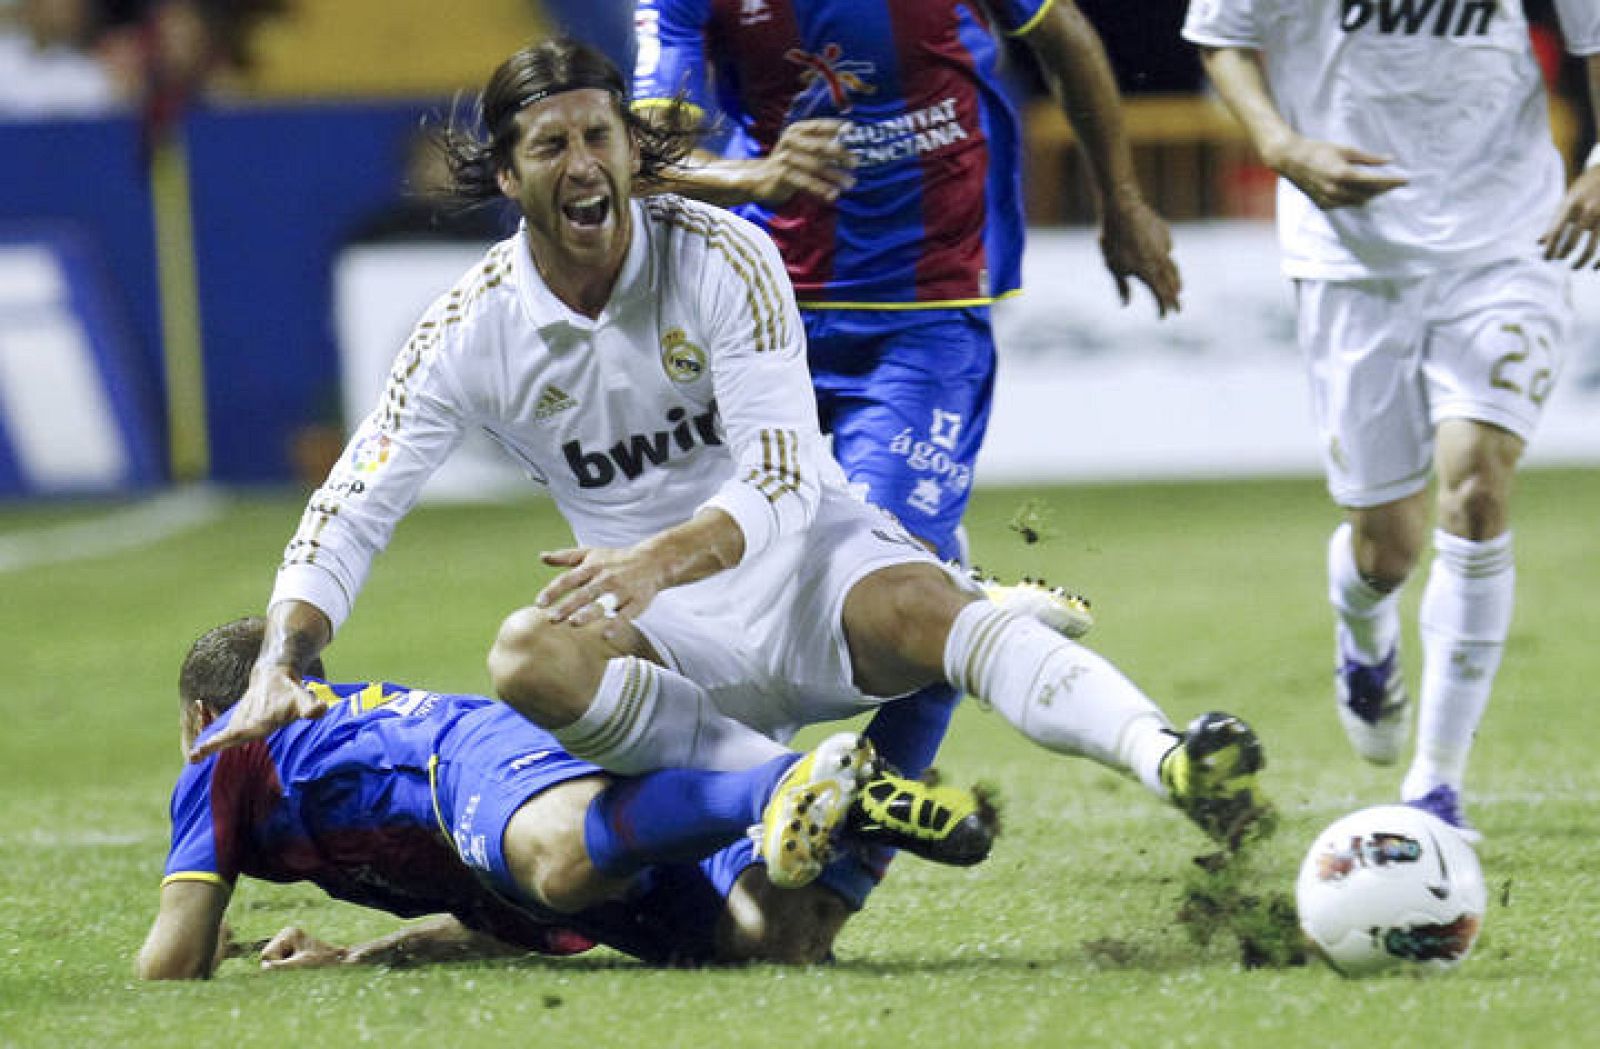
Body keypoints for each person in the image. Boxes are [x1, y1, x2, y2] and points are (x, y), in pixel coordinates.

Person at [197, 42, 1271, 918]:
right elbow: (355, 498)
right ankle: (797, 782)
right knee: (527, 653)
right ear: (510, 172)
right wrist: (283, 655)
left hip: (799, 567)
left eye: (600, 135)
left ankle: (1169, 756)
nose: (583, 164)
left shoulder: (721, 253)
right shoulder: (466, 330)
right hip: (671, 650)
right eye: (551, 144)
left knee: (917, 598)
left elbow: (785, 472)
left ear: (631, 147)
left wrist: (659, 556)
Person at [628, 0, 1177, 790]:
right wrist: (757, 175)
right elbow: (640, 158)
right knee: (723, 596)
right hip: (764, 310)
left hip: (925, 316)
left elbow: (1065, 35)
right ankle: (966, 601)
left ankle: (853, 842)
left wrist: (1121, 199)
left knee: (891, 606)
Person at [1183, 0, 1600, 837]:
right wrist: (1280, 145)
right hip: (1351, 253)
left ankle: (1436, 785)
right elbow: (1221, 38)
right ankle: (1363, 619)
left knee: (1478, 486)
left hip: (1508, 241)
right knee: (1388, 547)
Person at [139, 618, 996, 979]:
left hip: (468, 763)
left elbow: (168, 966)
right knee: (775, 941)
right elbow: (475, 906)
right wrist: (362, 954)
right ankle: (940, 673)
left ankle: (781, 783)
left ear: (202, 717)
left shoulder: (228, 752)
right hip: (499, 803)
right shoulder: (314, 765)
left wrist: (199, 918)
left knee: (558, 865)